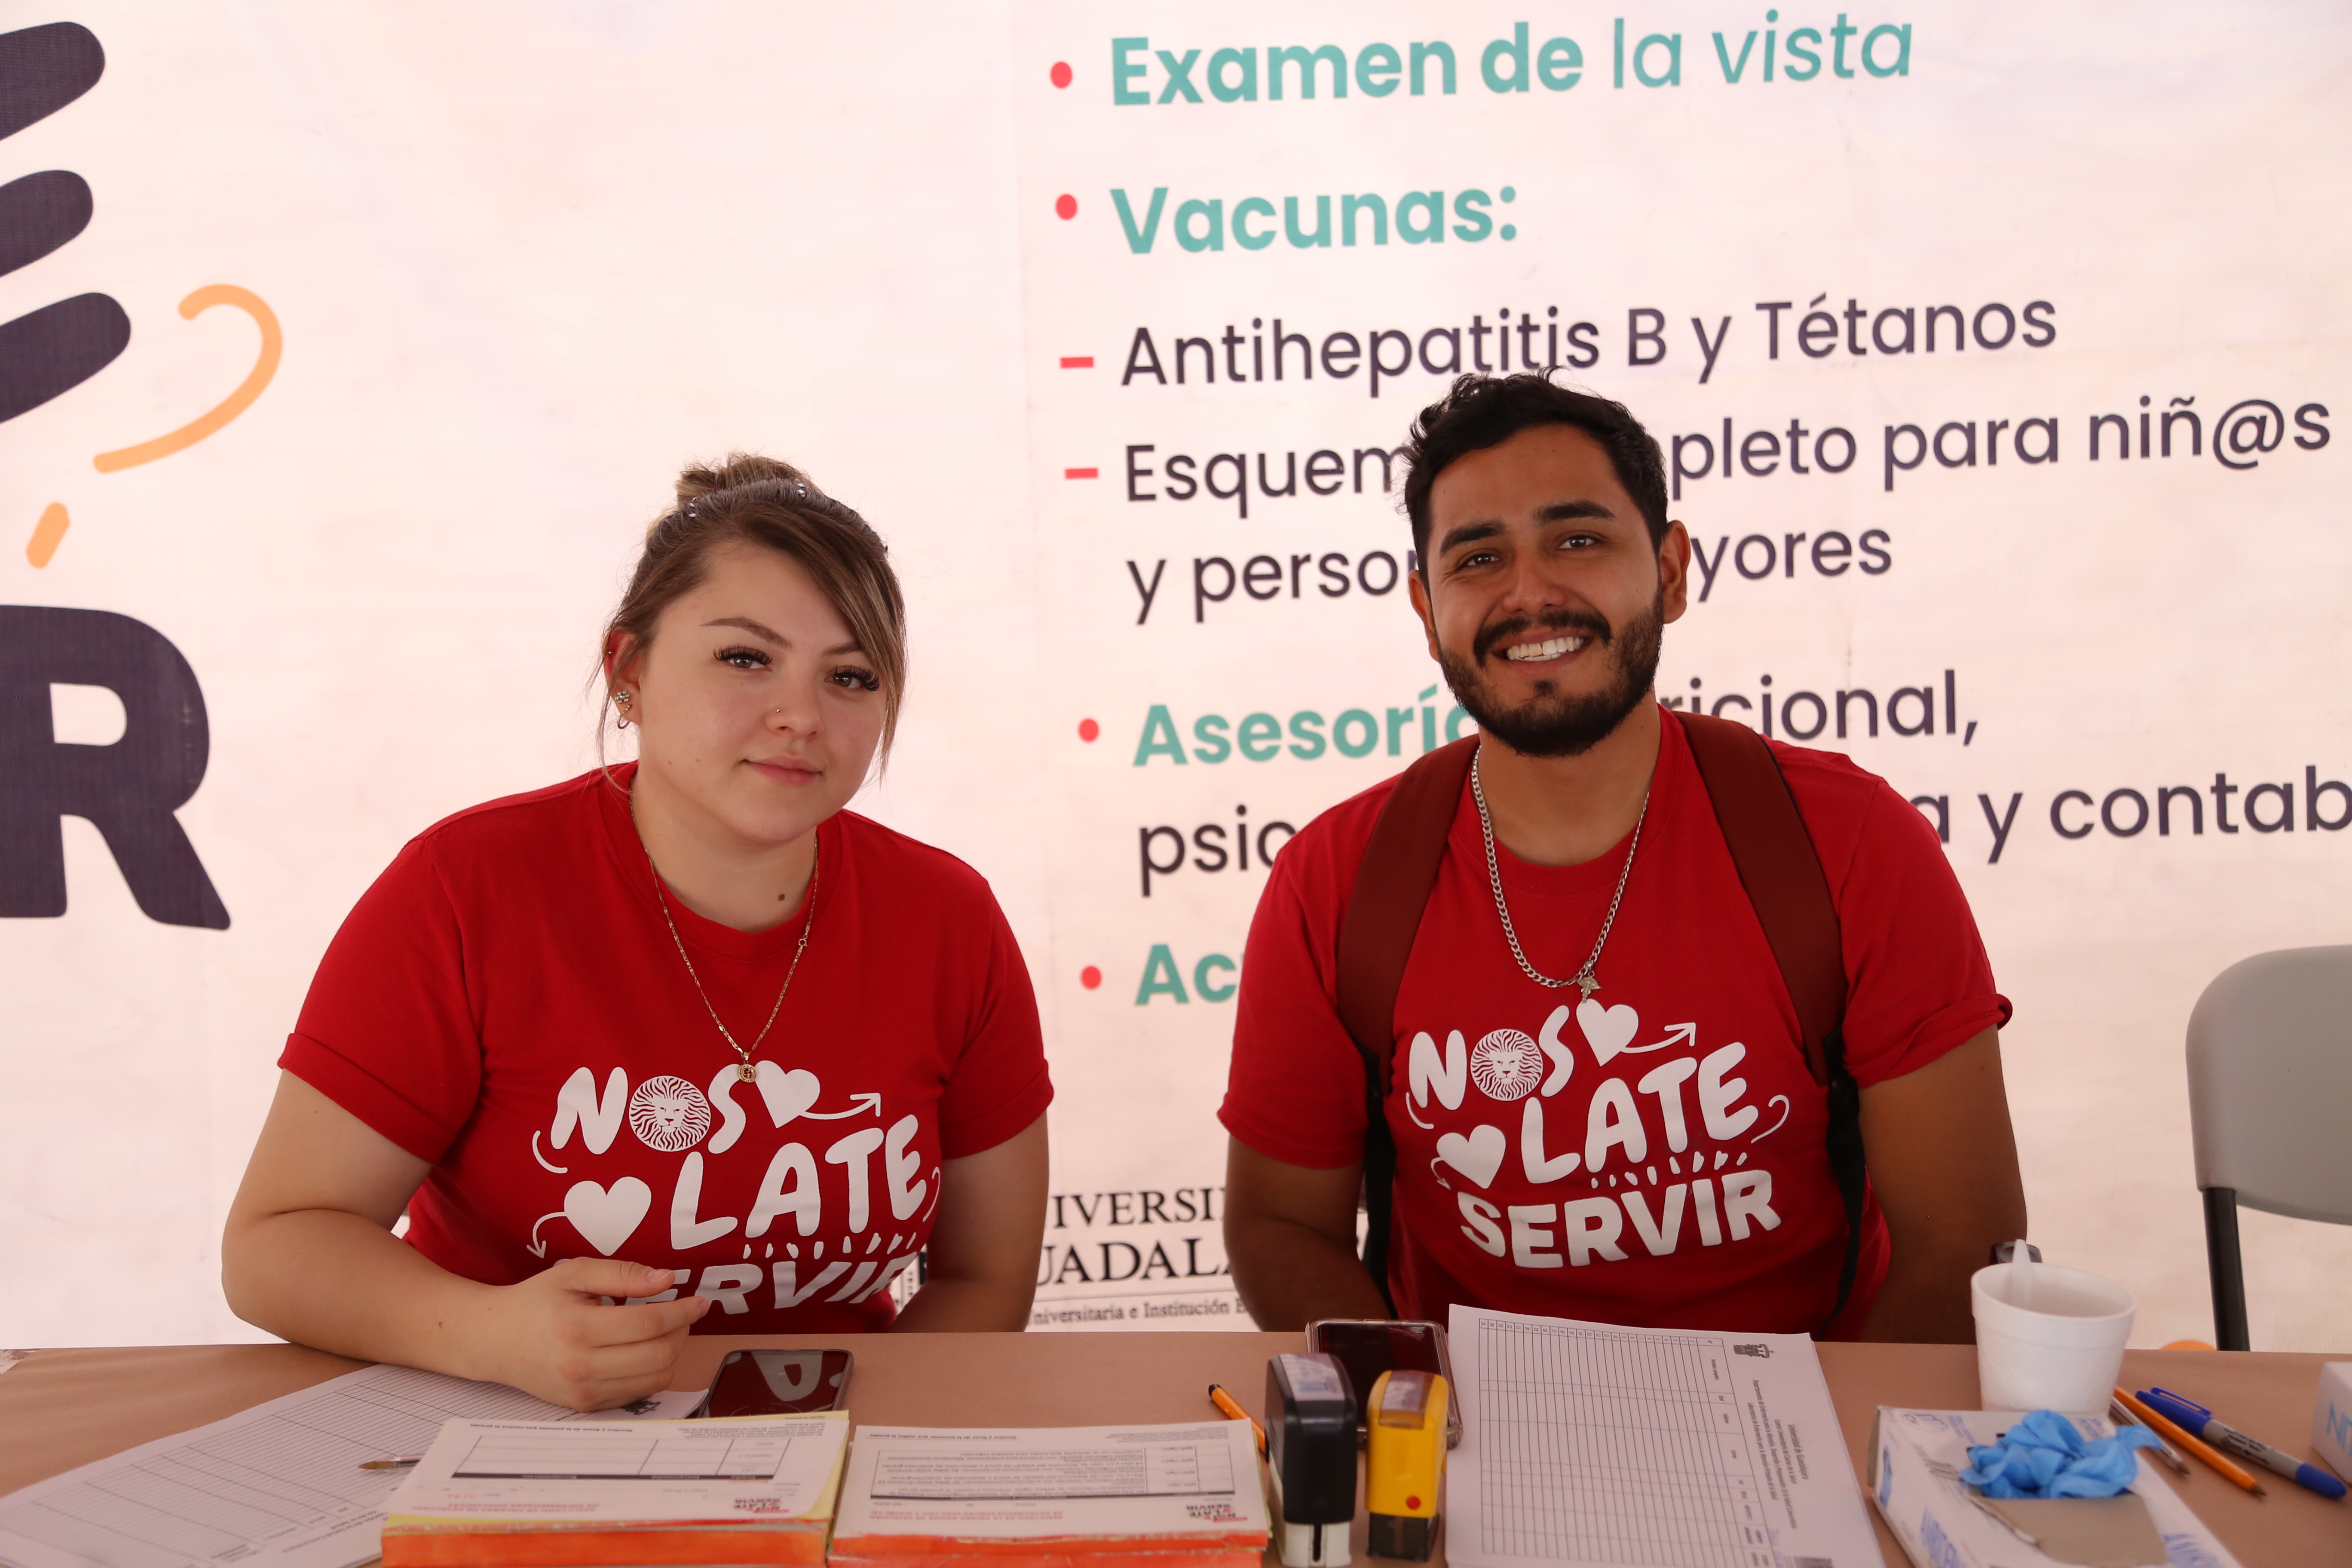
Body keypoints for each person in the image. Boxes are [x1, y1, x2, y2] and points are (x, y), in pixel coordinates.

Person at [224, 456, 1051, 1410]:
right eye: (745, 659)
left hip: (834, 1443)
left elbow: (984, 1279)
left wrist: (837, 1439)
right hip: (498, 1431)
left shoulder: (949, 919)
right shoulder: (466, 888)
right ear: (630, 671)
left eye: (850, 676)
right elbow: (274, 1245)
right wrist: (494, 1335)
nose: (800, 717)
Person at [1219, 374, 2024, 1341]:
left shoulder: (1851, 840)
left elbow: (1962, 1239)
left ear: (1672, 572)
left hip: (1810, 1407)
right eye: (1480, 558)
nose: (1530, 593)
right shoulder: (1335, 882)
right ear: (1427, 611)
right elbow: (1280, 1225)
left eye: (1578, 540)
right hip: (1467, 1418)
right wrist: (1414, 1403)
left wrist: (1833, 1433)